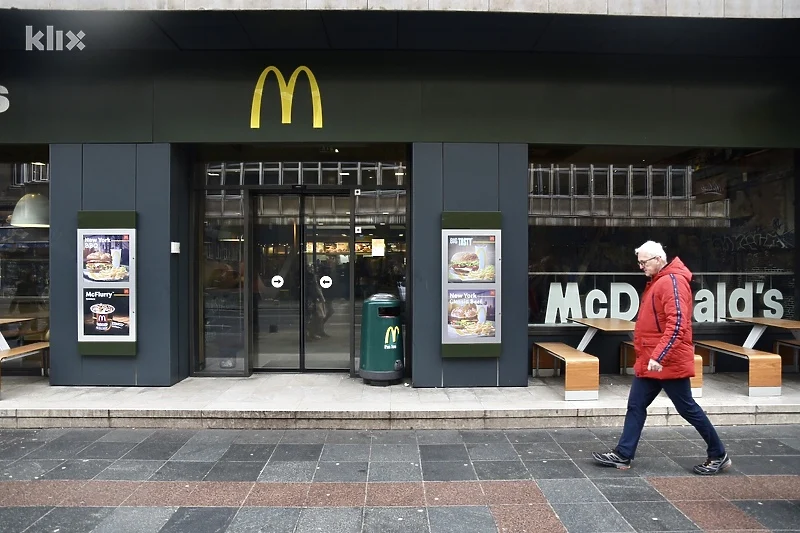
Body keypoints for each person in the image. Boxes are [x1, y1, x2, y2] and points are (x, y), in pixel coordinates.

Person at [593, 240, 731, 476]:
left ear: (658, 259)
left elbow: (677, 323)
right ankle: (623, 454)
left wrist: (659, 355)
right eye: (639, 262)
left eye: (643, 262)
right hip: (653, 360)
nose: (640, 267)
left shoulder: (672, 282)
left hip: (666, 361)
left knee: (687, 408)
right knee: (636, 405)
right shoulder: (661, 281)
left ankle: (718, 454)